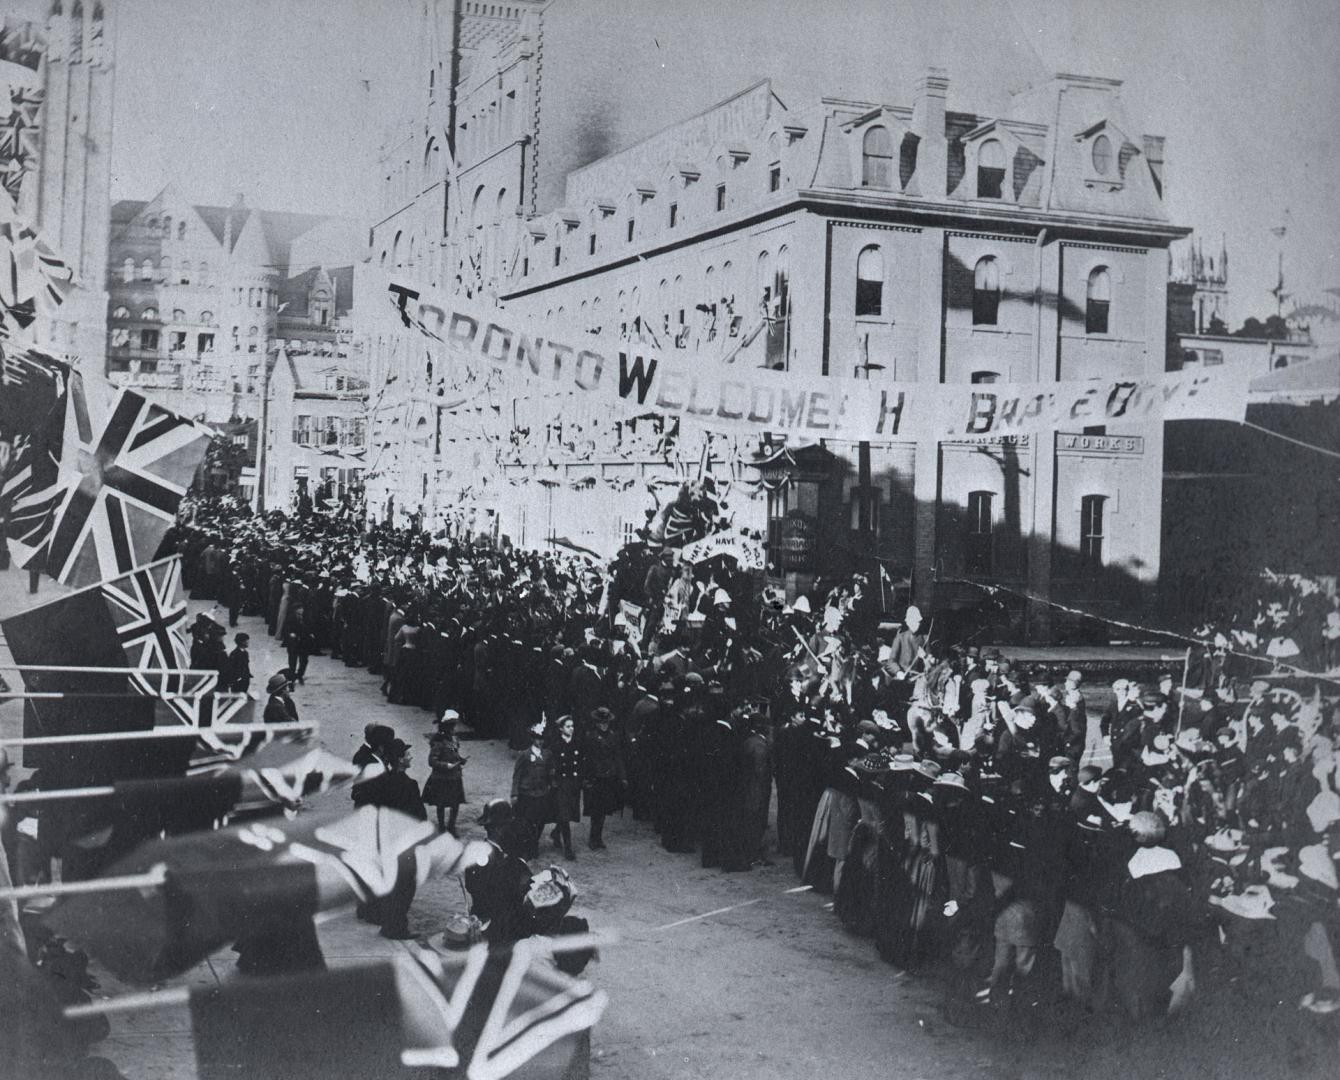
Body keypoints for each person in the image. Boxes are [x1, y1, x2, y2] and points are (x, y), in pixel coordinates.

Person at [351, 738, 426, 939]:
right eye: (407, 754)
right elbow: (419, 817)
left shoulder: (382, 780)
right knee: (405, 886)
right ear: (400, 760)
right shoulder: (409, 785)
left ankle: (390, 923)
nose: (410, 757)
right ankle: (395, 927)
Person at [582, 707, 625, 850]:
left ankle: (598, 838)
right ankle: (593, 838)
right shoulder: (591, 737)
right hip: (596, 777)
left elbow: (617, 757)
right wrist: (586, 778)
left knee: (604, 809)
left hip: (608, 777)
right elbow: (587, 759)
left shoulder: (613, 736)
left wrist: (622, 775)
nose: (604, 725)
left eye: (606, 722)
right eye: (601, 722)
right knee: (596, 810)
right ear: (596, 723)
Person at [511, 722, 555, 860]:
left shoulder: (547, 755)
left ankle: (535, 841)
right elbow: (517, 775)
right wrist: (514, 793)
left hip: (542, 793)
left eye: (542, 739)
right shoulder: (524, 755)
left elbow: (550, 772)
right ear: (532, 739)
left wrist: (551, 784)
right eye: (537, 739)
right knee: (527, 821)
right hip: (527, 793)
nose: (540, 742)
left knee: (541, 820)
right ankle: (530, 845)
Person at [422, 711, 467, 834]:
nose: (454, 729)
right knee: (440, 804)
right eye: (452, 726)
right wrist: (446, 765)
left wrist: (461, 760)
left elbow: (455, 754)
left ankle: (451, 826)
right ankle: (442, 826)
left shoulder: (454, 739)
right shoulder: (438, 741)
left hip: (455, 777)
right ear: (446, 728)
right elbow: (432, 761)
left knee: (455, 803)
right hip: (442, 777)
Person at [549, 715, 581, 861]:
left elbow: (581, 762)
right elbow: (551, 764)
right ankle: (568, 848)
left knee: (569, 812)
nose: (571, 729)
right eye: (568, 726)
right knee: (565, 814)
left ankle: (556, 832)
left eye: (572, 726)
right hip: (561, 783)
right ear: (561, 728)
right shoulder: (556, 744)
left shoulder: (577, 743)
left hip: (573, 782)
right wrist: (553, 780)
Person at [282, 603, 311, 685]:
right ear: (296, 610)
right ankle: (292, 676)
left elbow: (309, 626)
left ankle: (300, 674)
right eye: (300, 608)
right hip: (294, 643)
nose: (302, 610)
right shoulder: (290, 618)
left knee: (304, 660)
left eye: (302, 608)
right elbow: (286, 629)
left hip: (304, 642)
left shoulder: (306, 617)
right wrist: (291, 634)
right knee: (292, 661)